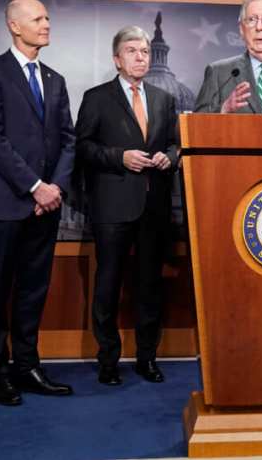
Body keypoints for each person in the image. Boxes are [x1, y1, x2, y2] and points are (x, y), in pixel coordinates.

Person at [0, 0, 76, 406]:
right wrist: (35, 186)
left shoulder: (55, 78)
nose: (47, 24)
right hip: (6, 201)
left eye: (48, 17)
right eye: (38, 18)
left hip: (46, 205)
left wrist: (55, 188)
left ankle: (27, 366)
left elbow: (68, 139)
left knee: (34, 289)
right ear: (15, 26)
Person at [76, 26, 179, 386]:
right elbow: (83, 148)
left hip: (153, 207)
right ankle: (108, 360)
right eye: (132, 51)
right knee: (108, 285)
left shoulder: (165, 99)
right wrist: (120, 157)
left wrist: (170, 157)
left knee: (150, 286)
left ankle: (147, 358)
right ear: (117, 59)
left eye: (145, 51)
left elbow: (176, 144)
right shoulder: (97, 98)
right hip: (112, 207)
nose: (140, 57)